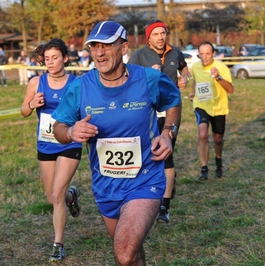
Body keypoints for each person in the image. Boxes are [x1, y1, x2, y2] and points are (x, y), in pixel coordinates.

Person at [51, 21, 181, 265]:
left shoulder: (149, 79)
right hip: (106, 186)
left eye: (107, 46)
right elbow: (59, 128)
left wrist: (168, 132)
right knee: (132, 255)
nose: (100, 53)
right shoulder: (80, 88)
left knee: (122, 253)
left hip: (145, 178)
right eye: (94, 47)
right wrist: (70, 131)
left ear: (123, 47)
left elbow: (173, 102)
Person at [20, 38, 82, 262]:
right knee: (52, 195)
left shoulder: (76, 83)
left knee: (56, 194)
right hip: (45, 144)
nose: (51, 62)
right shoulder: (36, 83)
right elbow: (23, 111)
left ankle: (58, 243)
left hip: (69, 142)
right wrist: (32, 104)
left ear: (65, 58)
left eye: (55, 58)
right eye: (47, 59)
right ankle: (71, 196)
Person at [129, 18, 189, 224]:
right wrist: (148, 75)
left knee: (166, 154)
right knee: (149, 155)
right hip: (147, 113)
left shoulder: (175, 53)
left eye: (163, 33)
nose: (161, 37)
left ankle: (164, 206)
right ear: (148, 37)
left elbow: (185, 67)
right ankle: (145, 194)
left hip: (171, 111)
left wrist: (185, 79)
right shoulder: (138, 56)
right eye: (156, 34)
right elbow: (129, 81)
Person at [189, 41, 234, 181]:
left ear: (213, 54)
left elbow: (231, 90)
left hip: (218, 107)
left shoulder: (222, 67)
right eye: (201, 54)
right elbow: (195, 81)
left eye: (207, 54)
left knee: (218, 139)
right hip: (201, 105)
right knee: (202, 134)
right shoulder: (195, 67)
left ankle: (218, 160)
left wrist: (218, 77)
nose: (204, 57)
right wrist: (192, 92)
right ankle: (204, 168)